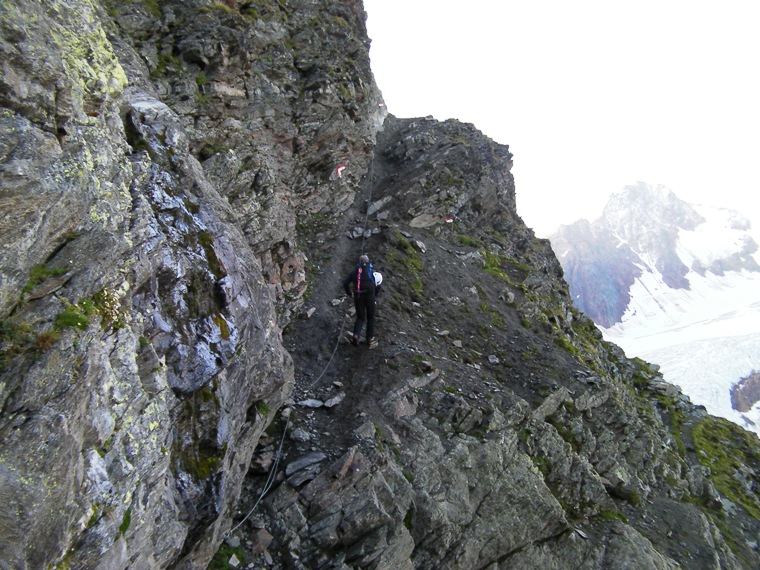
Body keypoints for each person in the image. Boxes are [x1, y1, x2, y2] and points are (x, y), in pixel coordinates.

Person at [342, 254, 380, 348]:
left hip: (358, 296)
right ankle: (369, 339)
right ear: (368, 261)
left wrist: (349, 293)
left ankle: (356, 335)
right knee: (370, 316)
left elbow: (345, 282)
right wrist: (374, 295)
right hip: (370, 295)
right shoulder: (372, 270)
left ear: (360, 262)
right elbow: (379, 284)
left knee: (360, 317)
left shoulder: (355, 271)